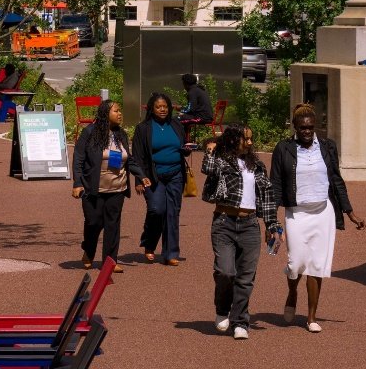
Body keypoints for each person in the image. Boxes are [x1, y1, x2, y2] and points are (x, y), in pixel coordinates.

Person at [269, 105, 365, 333]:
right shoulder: (284, 148)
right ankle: (292, 292)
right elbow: (276, 184)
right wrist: (271, 219)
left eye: (311, 127)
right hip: (297, 213)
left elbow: (336, 181)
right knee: (296, 263)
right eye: (303, 128)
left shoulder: (327, 147)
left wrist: (350, 212)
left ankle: (311, 317)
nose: (307, 132)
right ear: (295, 126)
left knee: (316, 265)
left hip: (323, 213)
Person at [199, 124, 279, 340]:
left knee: (245, 277)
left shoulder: (257, 165)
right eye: (246, 139)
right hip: (224, 222)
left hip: (250, 225)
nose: (250, 143)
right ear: (234, 140)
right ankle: (222, 309)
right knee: (225, 272)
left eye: (251, 139)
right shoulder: (221, 160)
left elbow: (267, 196)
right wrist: (211, 150)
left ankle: (240, 321)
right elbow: (208, 168)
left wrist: (272, 225)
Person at [131, 91, 194, 265]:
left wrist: (186, 150)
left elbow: (181, 146)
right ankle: (149, 243)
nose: (162, 109)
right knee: (157, 210)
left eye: (165, 106)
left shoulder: (176, 124)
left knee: (172, 213)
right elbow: (137, 156)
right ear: (151, 109)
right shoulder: (143, 128)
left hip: (175, 174)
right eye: (158, 107)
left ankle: (170, 253)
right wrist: (139, 179)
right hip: (153, 177)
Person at [71, 98, 133, 271]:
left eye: (120, 111)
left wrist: (141, 176)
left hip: (117, 187)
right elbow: (79, 158)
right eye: (116, 111)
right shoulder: (89, 132)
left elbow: (129, 158)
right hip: (93, 188)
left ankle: (110, 261)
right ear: (106, 113)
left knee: (112, 224)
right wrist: (77, 183)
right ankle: (88, 250)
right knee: (93, 222)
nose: (120, 114)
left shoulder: (121, 134)